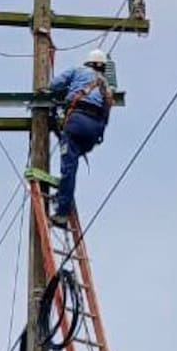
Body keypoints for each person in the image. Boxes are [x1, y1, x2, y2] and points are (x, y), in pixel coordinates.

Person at [47, 48, 113, 227]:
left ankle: (62, 212)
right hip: (94, 131)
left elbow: (54, 85)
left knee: (69, 167)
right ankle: (63, 194)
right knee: (72, 159)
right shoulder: (106, 86)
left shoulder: (77, 71)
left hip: (77, 122)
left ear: (88, 63)